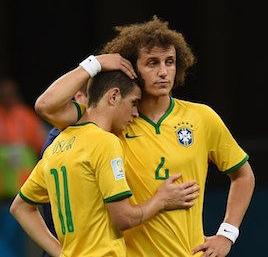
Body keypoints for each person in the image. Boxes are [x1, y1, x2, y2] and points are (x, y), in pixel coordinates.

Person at [34, 16, 256, 257]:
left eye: (169, 62)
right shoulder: (113, 120)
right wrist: (94, 63)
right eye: (152, 63)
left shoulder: (202, 117)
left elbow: (243, 175)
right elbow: (46, 106)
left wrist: (227, 234)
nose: (163, 72)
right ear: (131, 68)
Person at [10, 70, 200, 256]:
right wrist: (162, 200)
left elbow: (20, 207)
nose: (136, 113)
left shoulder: (56, 146)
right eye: (133, 103)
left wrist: (62, 253)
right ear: (114, 96)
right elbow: (123, 218)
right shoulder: (105, 142)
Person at [39, 85, 89, 257]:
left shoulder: (102, 138)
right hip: (67, 247)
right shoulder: (57, 141)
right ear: (79, 96)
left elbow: (20, 207)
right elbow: (44, 106)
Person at [0, 76, 47, 257]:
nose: (8, 97)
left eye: (11, 94)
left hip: (19, 189)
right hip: (2, 188)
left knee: (16, 238)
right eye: (4, 94)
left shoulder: (27, 117)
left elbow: (42, 148)